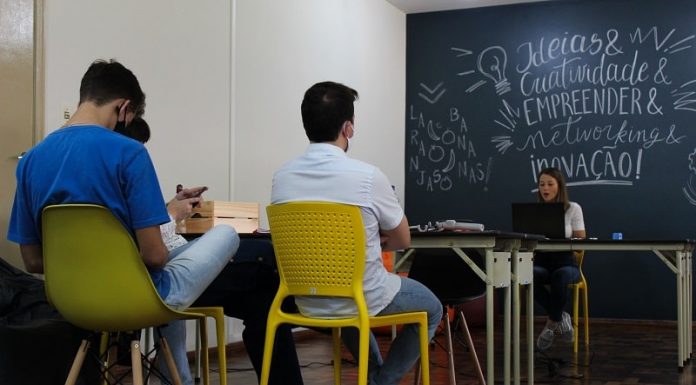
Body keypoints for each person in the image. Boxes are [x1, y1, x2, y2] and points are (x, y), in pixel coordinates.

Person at [6, 59, 239, 385]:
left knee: (162, 266)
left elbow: (32, 261)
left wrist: (94, 264)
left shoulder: (30, 161)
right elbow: (154, 256)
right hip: (136, 298)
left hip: (71, 303)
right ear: (124, 107)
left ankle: (180, 380)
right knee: (226, 234)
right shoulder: (129, 152)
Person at [271, 81, 442, 385]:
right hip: (362, 296)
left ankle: (373, 374)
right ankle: (380, 381)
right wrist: (373, 237)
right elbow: (402, 240)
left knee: (346, 296)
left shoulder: (282, 177)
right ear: (348, 128)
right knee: (432, 308)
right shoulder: (368, 176)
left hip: (305, 299)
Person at [122, 117, 304, 385]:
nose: (140, 153)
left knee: (263, 301)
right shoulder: (122, 175)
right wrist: (171, 214)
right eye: (139, 146)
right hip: (167, 278)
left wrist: (172, 206)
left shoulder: (109, 180)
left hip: (172, 268)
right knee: (248, 249)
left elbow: (143, 231)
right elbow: (150, 251)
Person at [534, 167, 586, 350]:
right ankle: (561, 317)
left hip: (566, 263)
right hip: (541, 262)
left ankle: (550, 324)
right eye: (541, 184)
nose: (545, 188)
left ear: (559, 186)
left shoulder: (573, 208)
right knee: (528, 275)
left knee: (561, 276)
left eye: (550, 184)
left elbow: (581, 241)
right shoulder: (534, 211)